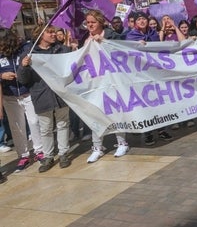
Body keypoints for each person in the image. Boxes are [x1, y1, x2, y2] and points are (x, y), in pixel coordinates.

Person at [17, 25, 72, 172]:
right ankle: (48, 156)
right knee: (46, 128)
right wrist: (23, 66)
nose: (54, 34)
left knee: (62, 124)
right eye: (50, 32)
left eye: (54, 31)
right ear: (41, 35)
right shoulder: (29, 54)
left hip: (60, 94)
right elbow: (22, 80)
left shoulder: (62, 50)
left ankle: (63, 153)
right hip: (42, 95)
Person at [80, 10, 130, 163]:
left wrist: (103, 42)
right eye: (88, 22)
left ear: (100, 22)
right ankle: (97, 147)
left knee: (116, 111)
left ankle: (122, 142)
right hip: (95, 82)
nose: (90, 25)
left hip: (112, 80)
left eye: (93, 22)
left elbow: (122, 49)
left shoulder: (111, 34)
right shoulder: (86, 39)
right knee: (95, 114)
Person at [0, 28, 44, 171]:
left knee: (34, 121)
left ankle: (40, 151)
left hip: (27, 92)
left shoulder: (25, 48)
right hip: (9, 95)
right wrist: (2, 76)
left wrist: (24, 70)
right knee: (17, 127)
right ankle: (23, 155)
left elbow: (36, 62)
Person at [126, 12, 173, 144]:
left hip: (154, 73)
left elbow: (159, 49)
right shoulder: (131, 36)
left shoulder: (153, 34)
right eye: (138, 19)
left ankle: (161, 129)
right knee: (145, 103)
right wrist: (135, 45)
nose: (141, 21)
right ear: (135, 23)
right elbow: (126, 52)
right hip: (140, 75)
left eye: (143, 19)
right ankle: (148, 133)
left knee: (158, 102)